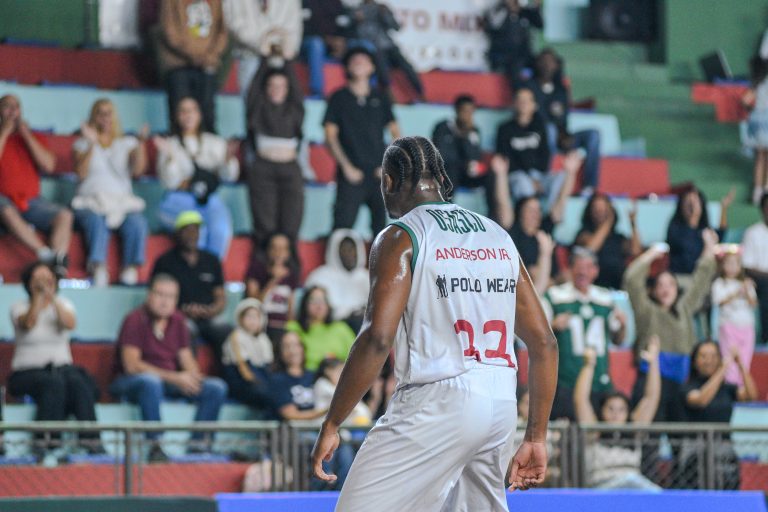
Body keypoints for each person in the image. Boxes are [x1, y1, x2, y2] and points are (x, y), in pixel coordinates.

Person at [311, 136, 559, 510]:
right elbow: (544, 344)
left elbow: (377, 340)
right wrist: (536, 436)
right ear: (440, 179)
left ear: (389, 182)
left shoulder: (401, 236)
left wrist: (332, 422)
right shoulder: (497, 235)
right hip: (500, 402)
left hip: (438, 400)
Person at [111, 273, 229, 462]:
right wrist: (175, 378)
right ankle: (155, 445)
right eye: (160, 295)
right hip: (131, 381)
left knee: (216, 387)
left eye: (171, 297)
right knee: (150, 382)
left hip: (167, 380)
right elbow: (132, 365)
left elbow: (187, 359)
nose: (165, 302)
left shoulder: (178, 321)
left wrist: (191, 377)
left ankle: (200, 446)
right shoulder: (134, 319)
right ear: (149, 295)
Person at [622, 229, 718, 421]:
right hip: (651, 381)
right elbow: (632, 280)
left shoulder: (684, 308)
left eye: (670, 284)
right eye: (660, 285)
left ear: (677, 288)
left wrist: (709, 247)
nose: (666, 289)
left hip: (681, 383)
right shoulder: (646, 310)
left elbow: (701, 280)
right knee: (649, 434)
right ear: (653, 290)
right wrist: (650, 255)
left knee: (681, 435)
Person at [8, 262, 102, 454]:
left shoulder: (64, 304)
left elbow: (69, 323)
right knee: (53, 383)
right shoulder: (18, 307)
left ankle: (91, 441)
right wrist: (38, 297)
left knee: (78, 382)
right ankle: (46, 442)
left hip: (61, 369)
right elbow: (28, 323)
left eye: (48, 279)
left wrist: (51, 298)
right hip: (26, 373)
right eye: (38, 279)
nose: (43, 283)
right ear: (28, 283)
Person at [71, 98, 149, 286]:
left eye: (109, 113)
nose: (105, 117)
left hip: (122, 202)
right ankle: (98, 266)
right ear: (93, 117)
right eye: (100, 113)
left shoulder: (127, 143)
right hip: (90, 201)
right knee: (95, 221)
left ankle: (130, 267)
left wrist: (141, 144)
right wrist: (92, 143)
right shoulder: (81, 144)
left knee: (137, 223)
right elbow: (80, 173)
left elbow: (138, 170)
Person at [323, 46, 400, 236]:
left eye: (364, 60)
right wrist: (346, 167)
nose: (359, 63)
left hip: (378, 174)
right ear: (347, 67)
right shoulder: (338, 98)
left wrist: (387, 166)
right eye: (354, 60)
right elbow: (330, 136)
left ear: (372, 67)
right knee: (342, 228)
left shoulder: (381, 98)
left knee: (381, 232)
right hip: (350, 173)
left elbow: (396, 135)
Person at [543, 247, 626, 420]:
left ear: (596, 271)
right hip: (566, 381)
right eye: (579, 267)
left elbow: (618, 340)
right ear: (570, 269)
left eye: (588, 267)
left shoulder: (605, 298)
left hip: (599, 382)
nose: (583, 272)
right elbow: (537, 336)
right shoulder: (555, 296)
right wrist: (552, 326)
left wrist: (623, 325)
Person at [154, 97, 240, 260]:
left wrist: (228, 158)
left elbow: (229, 177)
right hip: (179, 198)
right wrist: (170, 158)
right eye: (183, 111)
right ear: (177, 116)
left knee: (221, 230)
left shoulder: (215, 142)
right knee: (197, 232)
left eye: (192, 110)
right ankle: (194, 270)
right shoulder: (170, 144)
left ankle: (211, 270)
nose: (188, 115)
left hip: (209, 200)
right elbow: (169, 183)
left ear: (199, 115)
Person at [575, 338, 661, 490]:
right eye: (611, 409)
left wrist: (653, 362)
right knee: (632, 480)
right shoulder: (594, 432)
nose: (616, 414)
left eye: (621, 410)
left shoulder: (634, 431)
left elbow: (651, 398)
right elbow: (581, 399)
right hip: (601, 488)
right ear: (601, 411)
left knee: (655, 493)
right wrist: (589, 365)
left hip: (632, 488)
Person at [0, 94, 69, 275]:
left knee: (65, 215)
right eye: (7, 107)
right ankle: (45, 254)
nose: (12, 112)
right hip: (4, 201)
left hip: (32, 201)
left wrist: (26, 135)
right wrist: (4, 133)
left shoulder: (34, 137)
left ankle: (58, 263)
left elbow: (48, 165)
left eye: (16, 107)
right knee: (5, 209)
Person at [151, 211, 231, 360]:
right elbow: (155, 296)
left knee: (226, 330)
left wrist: (211, 310)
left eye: (195, 230)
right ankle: (189, 372)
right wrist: (179, 312)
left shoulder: (212, 260)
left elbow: (220, 296)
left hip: (209, 316)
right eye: (187, 230)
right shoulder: (165, 262)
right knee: (185, 330)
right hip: (177, 316)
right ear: (177, 233)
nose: (192, 234)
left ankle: (227, 373)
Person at [678, 341, 758, 489]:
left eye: (714, 356)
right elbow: (701, 400)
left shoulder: (727, 388)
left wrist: (740, 365)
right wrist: (723, 369)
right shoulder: (688, 387)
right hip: (696, 451)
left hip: (724, 449)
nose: (709, 361)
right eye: (703, 356)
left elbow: (751, 395)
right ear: (694, 361)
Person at [244, 58, 305, 247]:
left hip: (290, 169)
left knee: (291, 223)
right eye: (272, 85)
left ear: (287, 89)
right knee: (264, 224)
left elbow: (297, 90)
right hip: (263, 169)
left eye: (281, 86)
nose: (276, 89)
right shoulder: (258, 109)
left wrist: (286, 61)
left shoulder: (295, 111)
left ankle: (290, 264)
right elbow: (253, 91)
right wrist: (264, 60)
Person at [527, 48, 601, 193]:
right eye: (544, 61)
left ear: (557, 65)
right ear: (537, 63)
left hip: (562, 137)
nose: (547, 65)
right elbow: (536, 118)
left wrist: (564, 135)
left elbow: (562, 117)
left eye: (551, 62)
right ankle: (546, 178)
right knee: (549, 130)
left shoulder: (561, 89)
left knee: (594, 135)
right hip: (538, 138)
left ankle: (589, 187)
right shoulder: (530, 86)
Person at [432, 94, 511, 227]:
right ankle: (447, 216)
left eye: (471, 112)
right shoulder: (443, 127)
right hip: (449, 174)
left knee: (491, 175)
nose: (468, 115)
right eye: (465, 111)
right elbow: (442, 156)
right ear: (457, 111)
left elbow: (475, 157)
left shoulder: (474, 131)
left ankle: (493, 218)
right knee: (451, 170)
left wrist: (466, 136)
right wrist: (463, 163)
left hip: (467, 175)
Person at [157, 0, 228, 133]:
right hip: (179, 64)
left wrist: (211, 55)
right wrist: (195, 55)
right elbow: (169, 30)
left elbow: (222, 31)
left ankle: (208, 144)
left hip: (208, 63)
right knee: (180, 114)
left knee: (208, 113)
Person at [495, 87, 566, 207]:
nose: (523, 103)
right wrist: (530, 179)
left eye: (527, 100)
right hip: (516, 175)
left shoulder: (541, 127)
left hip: (539, 175)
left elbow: (545, 154)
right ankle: (526, 215)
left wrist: (537, 179)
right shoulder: (504, 129)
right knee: (523, 182)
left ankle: (549, 215)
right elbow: (505, 159)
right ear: (514, 103)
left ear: (534, 105)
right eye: (520, 100)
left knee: (561, 178)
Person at [342, 0, 424, 99]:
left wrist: (385, 15)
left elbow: (396, 27)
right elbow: (346, 26)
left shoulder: (381, 8)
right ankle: (389, 93)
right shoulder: (356, 10)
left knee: (406, 66)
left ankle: (420, 93)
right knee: (381, 65)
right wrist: (356, 19)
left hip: (388, 45)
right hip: (370, 46)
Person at [223, 0, 302, 100]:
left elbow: (294, 25)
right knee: (251, 100)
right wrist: (262, 44)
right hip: (249, 53)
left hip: (281, 52)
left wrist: (285, 46)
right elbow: (235, 24)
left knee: (287, 97)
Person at [305, 228, 369, 331]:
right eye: (344, 250)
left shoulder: (367, 277)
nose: (350, 254)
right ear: (334, 250)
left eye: (352, 249)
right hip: (331, 329)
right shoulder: (320, 276)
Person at [575, 193, 642, 290]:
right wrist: (609, 220)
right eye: (596, 209)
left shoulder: (618, 237)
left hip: (618, 285)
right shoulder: (584, 234)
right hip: (594, 285)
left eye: (603, 209)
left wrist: (633, 223)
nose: (600, 212)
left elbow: (636, 251)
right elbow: (590, 249)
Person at [712, 246, 758, 385]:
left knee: (745, 358)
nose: (732, 267)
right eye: (728, 263)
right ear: (722, 265)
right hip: (728, 325)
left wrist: (747, 290)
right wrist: (737, 292)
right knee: (729, 357)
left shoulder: (745, 283)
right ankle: (730, 385)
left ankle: (743, 386)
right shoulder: (719, 283)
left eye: (735, 263)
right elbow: (719, 302)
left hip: (747, 326)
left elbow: (753, 303)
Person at [245, 232, 300, 343]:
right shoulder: (256, 270)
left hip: (282, 327)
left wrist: (292, 330)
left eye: (283, 248)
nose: (278, 252)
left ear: (289, 252)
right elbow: (252, 303)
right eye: (274, 248)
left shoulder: (291, 275)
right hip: (260, 325)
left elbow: (290, 309)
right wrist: (274, 280)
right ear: (267, 250)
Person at [286, 286, 357, 371]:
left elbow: (356, 356)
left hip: (337, 375)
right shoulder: (294, 328)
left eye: (323, 300)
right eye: (314, 300)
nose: (319, 305)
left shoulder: (341, 328)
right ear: (305, 303)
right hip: (304, 375)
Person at [220, 298, 273, 411]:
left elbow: (268, 365)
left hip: (260, 376)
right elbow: (245, 370)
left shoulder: (263, 339)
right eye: (248, 316)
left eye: (256, 317)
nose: (252, 321)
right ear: (241, 318)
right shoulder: (236, 337)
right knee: (266, 394)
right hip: (241, 380)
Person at [666, 186, 732, 277]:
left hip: (702, 277)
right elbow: (686, 248)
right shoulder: (675, 228)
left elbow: (720, 234)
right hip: (680, 276)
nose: (692, 206)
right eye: (688, 202)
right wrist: (693, 217)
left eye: (695, 202)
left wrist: (723, 208)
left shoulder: (704, 230)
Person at [482, 0, 543, 88]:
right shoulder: (498, 11)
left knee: (538, 68)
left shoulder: (524, 12)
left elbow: (539, 24)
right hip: (502, 58)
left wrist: (537, 7)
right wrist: (508, 9)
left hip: (524, 58)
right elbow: (493, 25)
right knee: (517, 72)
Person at [301, 0, 346, 96]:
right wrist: (325, 39)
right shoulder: (305, 2)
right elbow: (300, 28)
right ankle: (317, 92)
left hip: (333, 44)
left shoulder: (337, 3)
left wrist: (341, 40)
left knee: (361, 46)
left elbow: (345, 26)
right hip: (307, 44)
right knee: (316, 44)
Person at [742, 193, 768, 344]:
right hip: (759, 280)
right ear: (762, 209)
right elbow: (747, 267)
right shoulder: (753, 232)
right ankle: (766, 338)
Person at [743, 54, 768, 204]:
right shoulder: (761, 84)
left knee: (760, 157)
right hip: (765, 122)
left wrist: (751, 110)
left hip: (757, 122)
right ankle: (764, 189)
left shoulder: (756, 84)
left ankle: (758, 191)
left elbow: (745, 100)